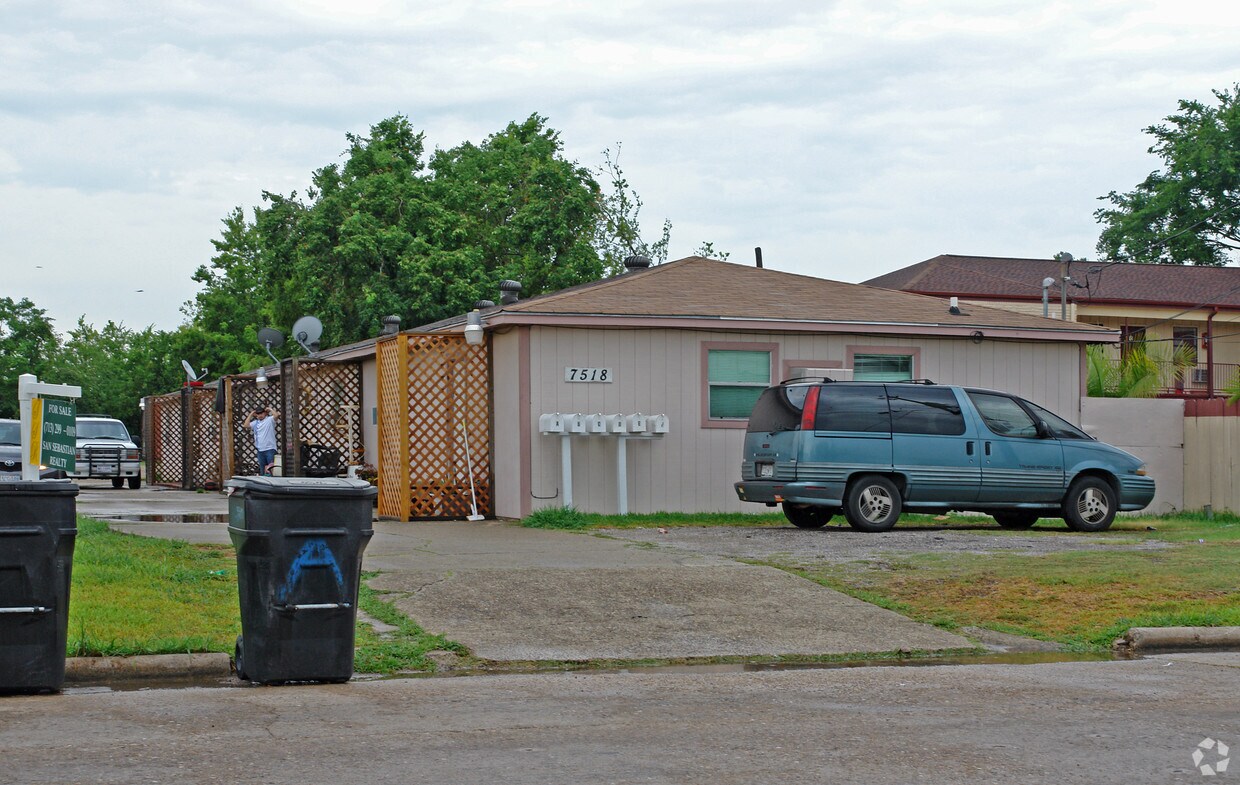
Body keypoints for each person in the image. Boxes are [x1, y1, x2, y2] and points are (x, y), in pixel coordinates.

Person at [243, 406, 279, 476]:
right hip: (260, 450)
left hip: (270, 449)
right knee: (263, 471)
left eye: (261, 413)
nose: (260, 415)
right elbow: (245, 425)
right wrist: (251, 414)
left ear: (265, 413)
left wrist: (270, 409)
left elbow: (276, 416)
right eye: (258, 414)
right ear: (256, 415)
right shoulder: (255, 423)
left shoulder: (269, 420)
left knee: (271, 470)